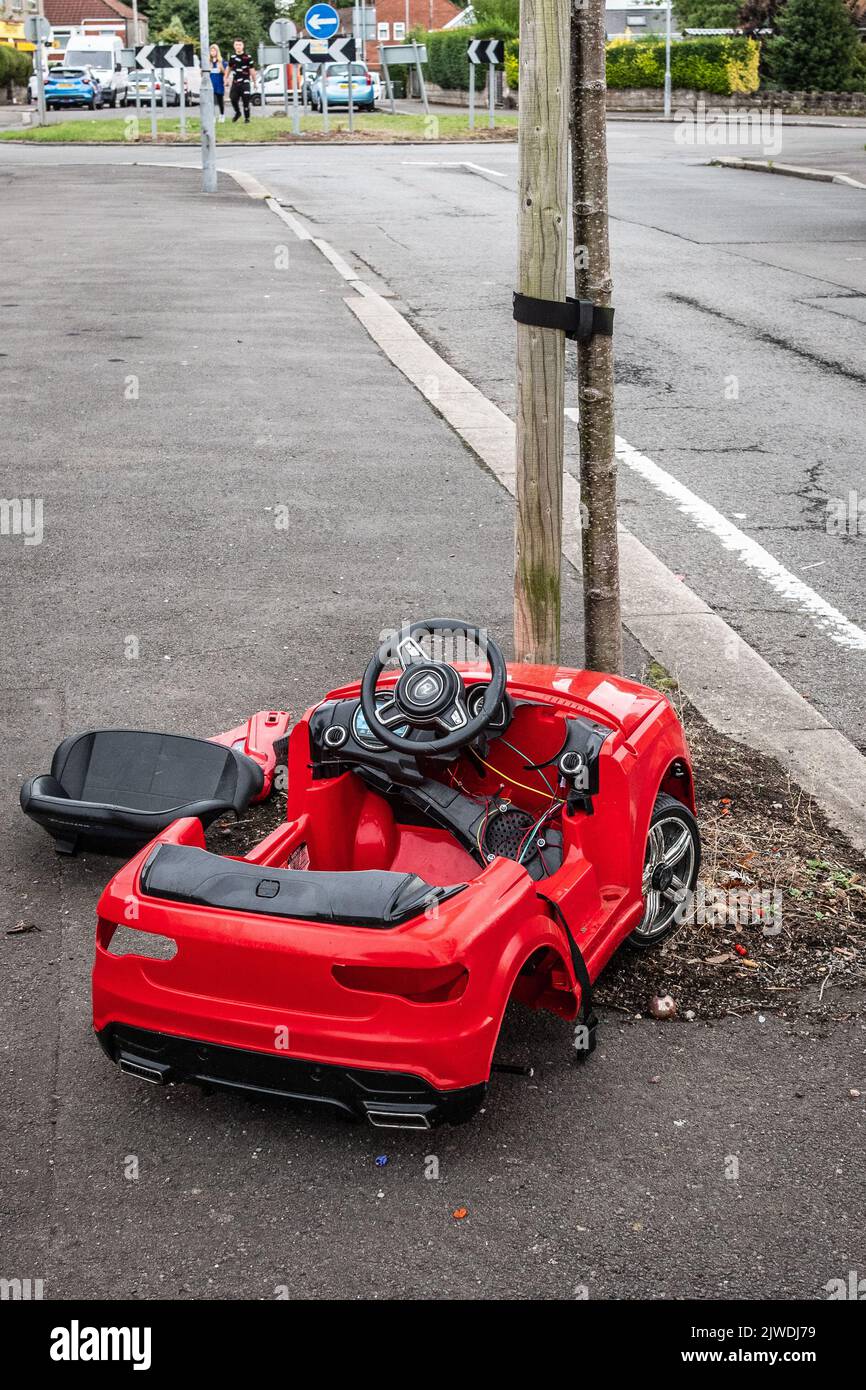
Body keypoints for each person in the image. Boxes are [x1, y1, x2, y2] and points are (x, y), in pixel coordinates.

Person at [227, 38, 256, 124]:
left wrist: (254, 82)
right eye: (236, 45)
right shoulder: (232, 57)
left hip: (245, 82)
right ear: (234, 46)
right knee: (233, 98)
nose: (238, 46)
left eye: (240, 45)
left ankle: (247, 118)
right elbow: (229, 68)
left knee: (246, 100)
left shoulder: (248, 57)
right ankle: (238, 112)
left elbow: (252, 70)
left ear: (243, 46)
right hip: (235, 82)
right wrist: (226, 78)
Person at [209, 44, 226, 122]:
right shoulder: (208, 61)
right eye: (211, 51)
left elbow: (225, 72)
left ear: (217, 51)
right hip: (211, 84)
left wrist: (221, 67)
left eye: (214, 50)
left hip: (219, 84)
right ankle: (212, 116)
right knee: (211, 101)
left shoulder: (221, 61)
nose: (212, 52)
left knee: (220, 100)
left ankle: (222, 115)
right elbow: (202, 73)